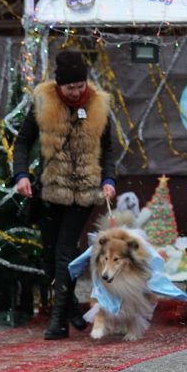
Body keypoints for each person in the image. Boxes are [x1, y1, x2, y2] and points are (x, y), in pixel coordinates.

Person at [13, 49, 116, 340]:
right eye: (70, 87)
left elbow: (108, 150)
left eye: (80, 86)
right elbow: (22, 144)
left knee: (65, 253)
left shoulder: (100, 107)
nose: (75, 92)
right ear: (59, 85)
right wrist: (21, 175)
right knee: (49, 256)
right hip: (50, 189)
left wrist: (108, 179)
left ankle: (58, 320)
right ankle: (70, 308)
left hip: (84, 191)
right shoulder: (43, 103)